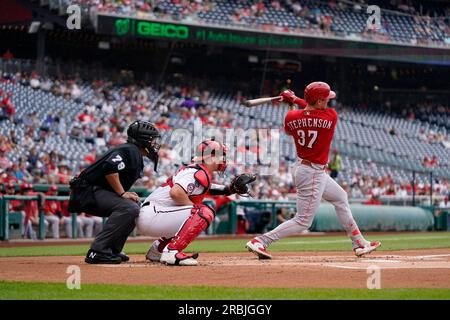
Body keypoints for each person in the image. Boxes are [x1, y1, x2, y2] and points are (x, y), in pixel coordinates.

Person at [246, 82, 381, 259]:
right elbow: (309, 109)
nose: (328, 102)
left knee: (341, 198)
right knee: (303, 221)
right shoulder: (330, 116)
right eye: (325, 99)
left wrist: (291, 102)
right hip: (313, 173)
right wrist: (294, 100)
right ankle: (261, 241)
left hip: (305, 168)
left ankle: (358, 242)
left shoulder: (292, 117)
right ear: (318, 101)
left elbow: (291, 126)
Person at [137, 140, 256, 266]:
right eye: (221, 155)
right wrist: (194, 210)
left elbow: (206, 188)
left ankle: (158, 250)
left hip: (153, 214)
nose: (223, 159)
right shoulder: (197, 171)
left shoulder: (197, 170)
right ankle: (172, 251)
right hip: (153, 214)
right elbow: (176, 193)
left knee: (191, 217)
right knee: (202, 212)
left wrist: (228, 189)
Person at [68, 120, 161, 264]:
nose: (155, 143)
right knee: (128, 207)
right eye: (152, 139)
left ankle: (112, 250)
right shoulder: (131, 150)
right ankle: (98, 251)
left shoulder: (132, 151)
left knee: (133, 207)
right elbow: (109, 167)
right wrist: (122, 193)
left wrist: (124, 194)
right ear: (143, 140)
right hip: (86, 191)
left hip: (93, 190)